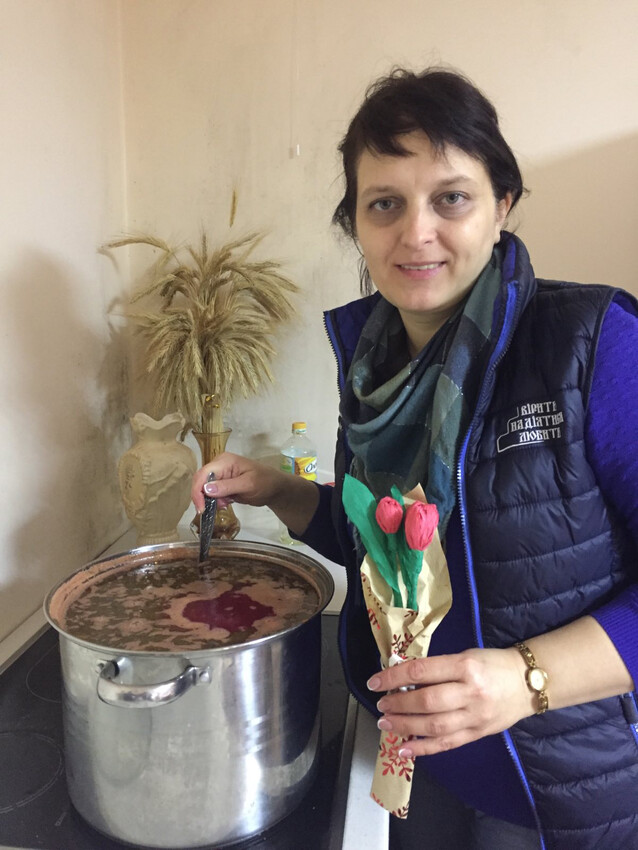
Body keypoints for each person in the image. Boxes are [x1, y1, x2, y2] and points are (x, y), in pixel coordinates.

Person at [191, 67, 638, 850]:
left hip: (558, 790)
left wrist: (526, 680)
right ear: (356, 224)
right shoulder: (373, 365)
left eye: (451, 197)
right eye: (385, 203)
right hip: (417, 763)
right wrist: (271, 488)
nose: (416, 232)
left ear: (502, 205)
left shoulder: (592, 343)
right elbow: (385, 544)